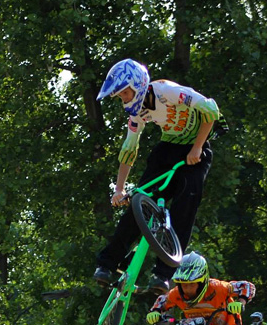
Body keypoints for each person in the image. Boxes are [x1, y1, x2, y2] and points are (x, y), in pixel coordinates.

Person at [93, 58, 222, 294]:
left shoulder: (167, 91)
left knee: (185, 205)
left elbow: (210, 110)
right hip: (168, 149)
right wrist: (119, 189)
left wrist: (197, 147)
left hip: (197, 148)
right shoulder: (137, 113)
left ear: (138, 85)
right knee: (139, 199)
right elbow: (129, 150)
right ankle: (107, 264)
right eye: (120, 95)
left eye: (124, 93)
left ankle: (163, 275)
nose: (123, 99)